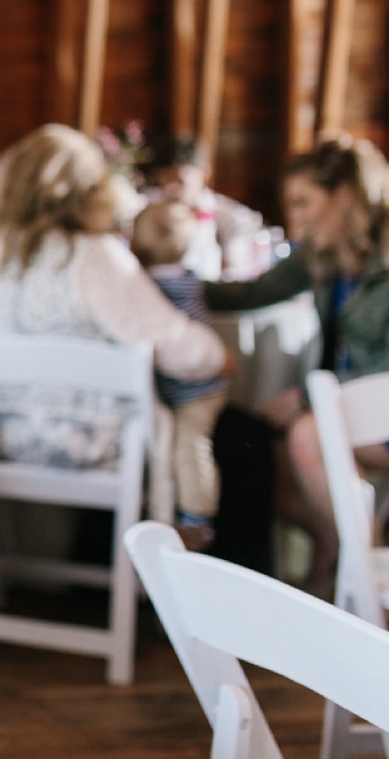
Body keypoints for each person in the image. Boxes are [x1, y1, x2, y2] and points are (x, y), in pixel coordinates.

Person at [0, 125, 228, 469]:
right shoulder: (90, 256)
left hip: (2, 439)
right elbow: (176, 346)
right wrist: (219, 355)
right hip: (94, 445)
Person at [206, 134, 389, 592]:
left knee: (309, 435)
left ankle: (370, 589)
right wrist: (169, 281)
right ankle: (334, 556)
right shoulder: (319, 254)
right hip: (356, 411)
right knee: (269, 454)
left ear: (345, 196)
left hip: (384, 413)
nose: (296, 218)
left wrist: (307, 398)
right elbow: (251, 294)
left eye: (304, 202)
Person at [132, 201, 231, 550]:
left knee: (190, 442)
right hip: (182, 386)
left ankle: (197, 518)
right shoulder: (189, 280)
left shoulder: (149, 288)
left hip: (197, 390)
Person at [150, 133, 262, 280]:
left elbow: (237, 275)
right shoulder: (148, 208)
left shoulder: (230, 217)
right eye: (164, 180)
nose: (170, 189)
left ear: (204, 173)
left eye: (180, 181)